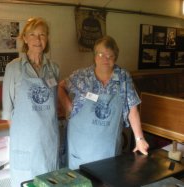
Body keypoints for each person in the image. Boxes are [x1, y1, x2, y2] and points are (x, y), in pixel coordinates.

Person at [58, 35, 149, 170]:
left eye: (110, 55)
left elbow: (132, 109)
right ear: (95, 57)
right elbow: (60, 86)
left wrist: (139, 139)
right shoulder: (82, 76)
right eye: (101, 54)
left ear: (115, 57)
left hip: (108, 150)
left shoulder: (123, 77)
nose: (105, 59)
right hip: (80, 148)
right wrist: (67, 106)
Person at [2, 17, 60, 187]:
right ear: (25, 39)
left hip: (49, 138)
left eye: (42, 35)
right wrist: (26, 134)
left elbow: (54, 105)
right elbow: (8, 112)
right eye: (32, 35)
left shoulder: (54, 68)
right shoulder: (13, 68)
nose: (37, 39)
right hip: (25, 141)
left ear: (47, 39)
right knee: (26, 182)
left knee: (50, 181)